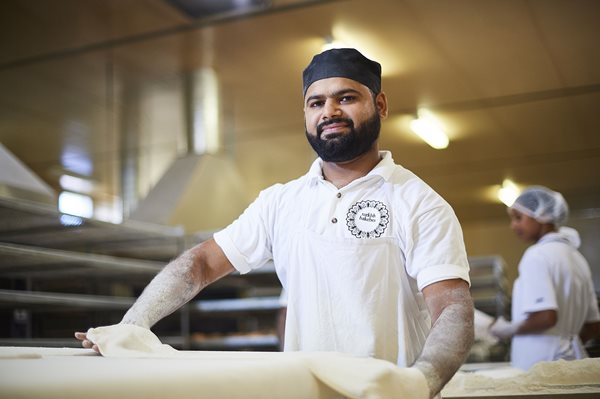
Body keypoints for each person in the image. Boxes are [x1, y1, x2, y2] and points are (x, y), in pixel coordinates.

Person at [76, 48, 474, 398]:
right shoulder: (280, 202)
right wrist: (133, 325)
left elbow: (452, 308)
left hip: (389, 394)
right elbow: (201, 263)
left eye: (346, 98)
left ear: (381, 105)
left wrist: (421, 382)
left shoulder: (418, 202)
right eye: (315, 103)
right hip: (306, 392)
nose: (329, 112)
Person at [490, 186, 600, 370]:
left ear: (541, 215)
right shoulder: (577, 258)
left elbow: (546, 317)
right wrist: (566, 344)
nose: (513, 226)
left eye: (519, 218)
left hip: (542, 366)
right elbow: (594, 325)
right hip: (574, 363)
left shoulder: (537, 255)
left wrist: (509, 329)